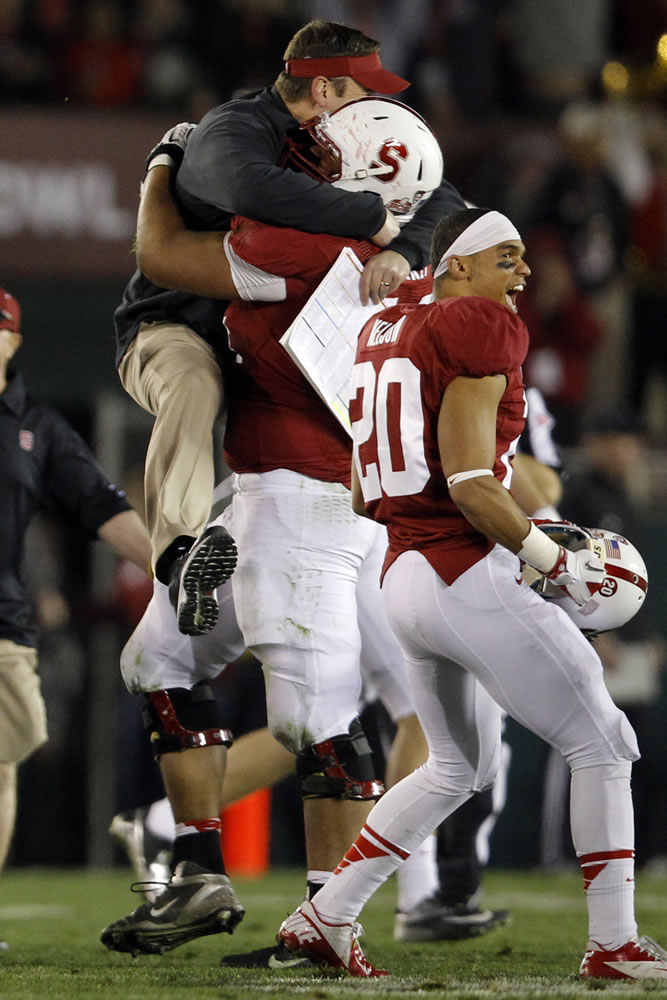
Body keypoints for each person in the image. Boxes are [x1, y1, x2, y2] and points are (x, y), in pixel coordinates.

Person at [274, 207, 667, 981]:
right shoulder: (473, 327)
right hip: (462, 568)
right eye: (505, 257)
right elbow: (467, 485)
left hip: (403, 578)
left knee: (456, 767)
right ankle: (613, 942)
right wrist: (548, 558)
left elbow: (362, 490)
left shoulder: (383, 329)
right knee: (605, 743)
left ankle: (326, 915)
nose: (521, 274)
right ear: (456, 265)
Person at [100, 97, 445, 960]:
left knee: (319, 721)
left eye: (327, 154)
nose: (308, 162)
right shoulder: (410, 263)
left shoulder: (299, 244)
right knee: (160, 660)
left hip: (302, 500)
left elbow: (160, 254)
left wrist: (160, 165)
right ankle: (197, 865)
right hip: (291, 491)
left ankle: (330, 920)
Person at [114, 18, 464, 637]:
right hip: (184, 319)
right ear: (324, 90)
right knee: (194, 387)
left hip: (274, 337)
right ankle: (178, 555)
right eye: (365, 90)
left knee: (268, 488)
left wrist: (400, 249)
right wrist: (372, 216)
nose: (381, 106)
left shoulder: (346, 137)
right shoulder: (237, 127)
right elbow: (241, 182)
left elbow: (441, 199)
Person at [0, 286, 153, 948]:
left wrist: (166, 562)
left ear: (14, 340)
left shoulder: (36, 424)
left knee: (10, 753)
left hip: (5, 621)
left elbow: (98, 505)